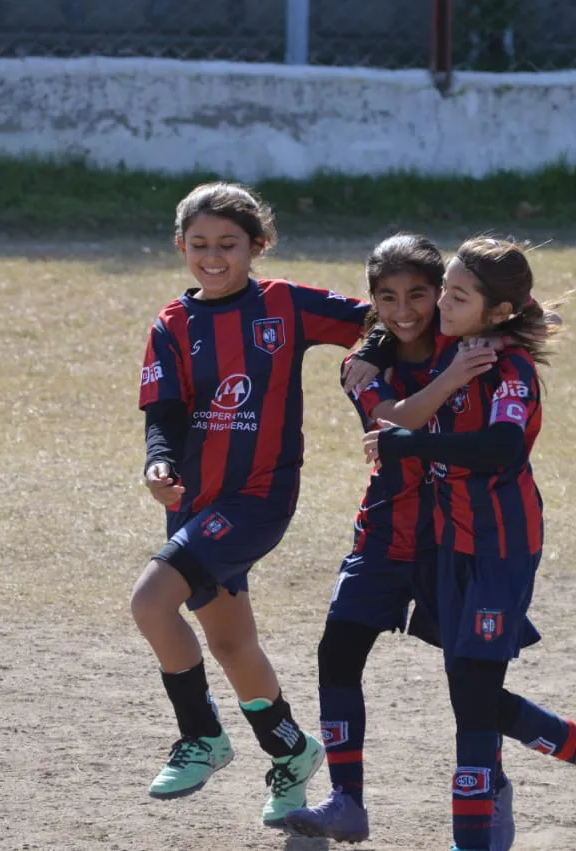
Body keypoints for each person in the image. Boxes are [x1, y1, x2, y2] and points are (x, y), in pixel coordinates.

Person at [365, 238, 576, 851]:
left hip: (500, 547)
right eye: (445, 289)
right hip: (448, 543)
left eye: (457, 295)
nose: (439, 303)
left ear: (497, 312)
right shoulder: (454, 342)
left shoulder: (508, 368)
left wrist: (413, 443)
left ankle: (475, 838)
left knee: (473, 702)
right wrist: (371, 350)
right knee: (471, 692)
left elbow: (503, 448)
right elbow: (389, 321)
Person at [132, 182, 372, 828]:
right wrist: (160, 461)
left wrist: (374, 361)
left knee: (150, 601)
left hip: (259, 497)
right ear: (181, 245)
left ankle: (201, 735)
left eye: (228, 245)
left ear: (257, 246)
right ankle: (291, 750)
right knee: (232, 643)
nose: (213, 257)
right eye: (200, 244)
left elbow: (380, 319)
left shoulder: (285, 305)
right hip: (194, 502)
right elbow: (164, 411)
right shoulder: (172, 324)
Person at [283, 234, 501, 843]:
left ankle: (512, 779)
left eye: (418, 295)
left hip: (455, 538)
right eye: (387, 298)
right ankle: (346, 800)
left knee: (472, 681)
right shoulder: (362, 366)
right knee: (337, 653)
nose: (404, 310)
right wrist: (434, 367)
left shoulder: (470, 342)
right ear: (373, 300)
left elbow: (512, 300)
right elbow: (391, 424)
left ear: (441, 294)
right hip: (383, 532)